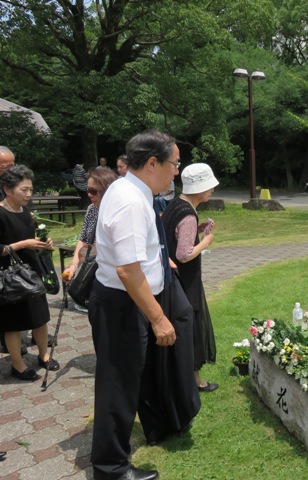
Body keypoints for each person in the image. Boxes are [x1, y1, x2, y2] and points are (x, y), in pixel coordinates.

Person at [89, 130, 198, 480]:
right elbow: (127, 270)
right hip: (123, 303)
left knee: (135, 375)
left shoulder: (131, 190)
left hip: (129, 297)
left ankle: (156, 424)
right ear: (152, 163)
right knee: (117, 385)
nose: (176, 171)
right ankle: (111, 468)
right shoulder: (131, 201)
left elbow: (137, 256)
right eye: (174, 163)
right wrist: (158, 318)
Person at [0, 165, 60, 381]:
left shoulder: (27, 211)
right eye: (23, 190)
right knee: (13, 324)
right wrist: (23, 244)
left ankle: (44, 355)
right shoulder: (1, 213)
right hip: (10, 277)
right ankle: (18, 364)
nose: (28, 194)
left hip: (33, 274)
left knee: (40, 318)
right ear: (7, 189)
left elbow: (34, 236)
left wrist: (44, 242)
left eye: (30, 190)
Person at [162, 164, 218, 392]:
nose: (212, 191)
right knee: (191, 328)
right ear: (199, 188)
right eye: (209, 187)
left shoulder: (176, 204)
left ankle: (182, 378)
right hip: (185, 280)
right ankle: (194, 381)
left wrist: (196, 230)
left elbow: (176, 237)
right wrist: (205, 242)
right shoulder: (187, 214)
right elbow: (184, 254)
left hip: (172, 278)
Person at [61, 167, 118, 311]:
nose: (89, 195)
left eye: (94, 191)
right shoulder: (92, 209)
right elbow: (84, 239)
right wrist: (73, 266)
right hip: (96, 274)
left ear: (108, 190)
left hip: (116, 278)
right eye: (88, 190)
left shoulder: (119, 211)